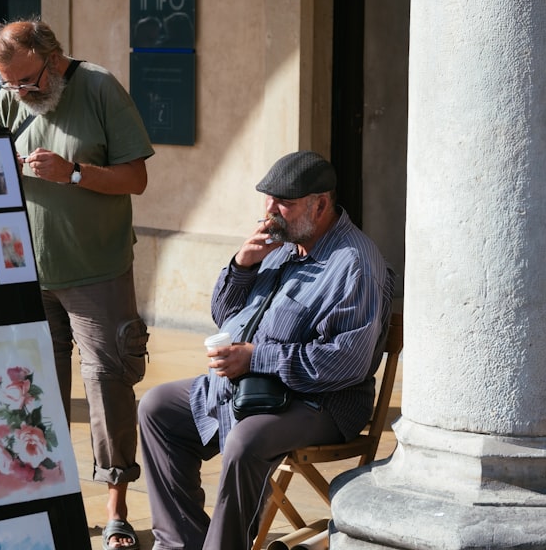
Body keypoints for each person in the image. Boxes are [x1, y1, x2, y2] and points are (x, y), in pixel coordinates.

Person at [138, 151, 393, 550]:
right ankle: (180, 542)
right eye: (268, 199)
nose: (271, 212)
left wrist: (256, 358)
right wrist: (243, 265)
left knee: (245, 440)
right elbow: (226, 318)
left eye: (284, 203)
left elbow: (347, 361)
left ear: (321, 204)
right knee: (156, 408)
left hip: (320, 400)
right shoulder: (282, 242)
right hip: (251, 388)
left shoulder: (354, 263)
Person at [0, 18, 154, 550]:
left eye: (26, 81)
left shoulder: (100, 87)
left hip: (96, 270)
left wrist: (74, 173)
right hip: (27, 272)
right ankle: (50, 510)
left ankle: (117, 510)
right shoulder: (11, 96)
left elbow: (136, 178)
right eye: (8, 84)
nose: (17, 93)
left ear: (52, 57)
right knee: (31, 395)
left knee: (107, 383)